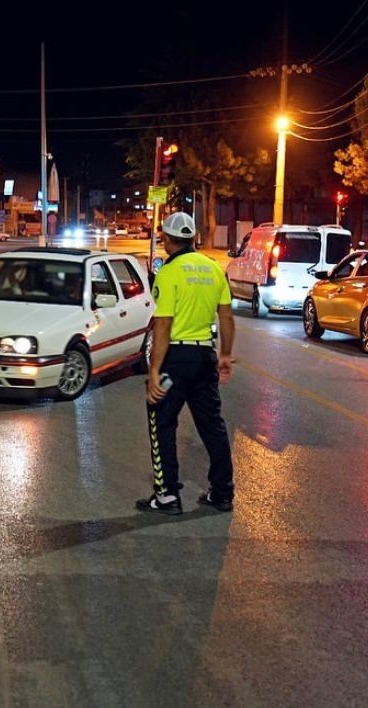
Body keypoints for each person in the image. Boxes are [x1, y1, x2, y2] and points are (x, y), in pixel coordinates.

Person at [136, 211, 236, 515]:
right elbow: (227, 317)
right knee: (212, 426)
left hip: (175, 361)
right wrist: (225, 355)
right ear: (192, 238)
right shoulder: (214, 269)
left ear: (167, 239)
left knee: (161, 420)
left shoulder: (169, 273)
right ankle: (222, 493)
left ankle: (167, 496)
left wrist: (154, 371)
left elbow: (163, 326)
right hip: (205, 357)